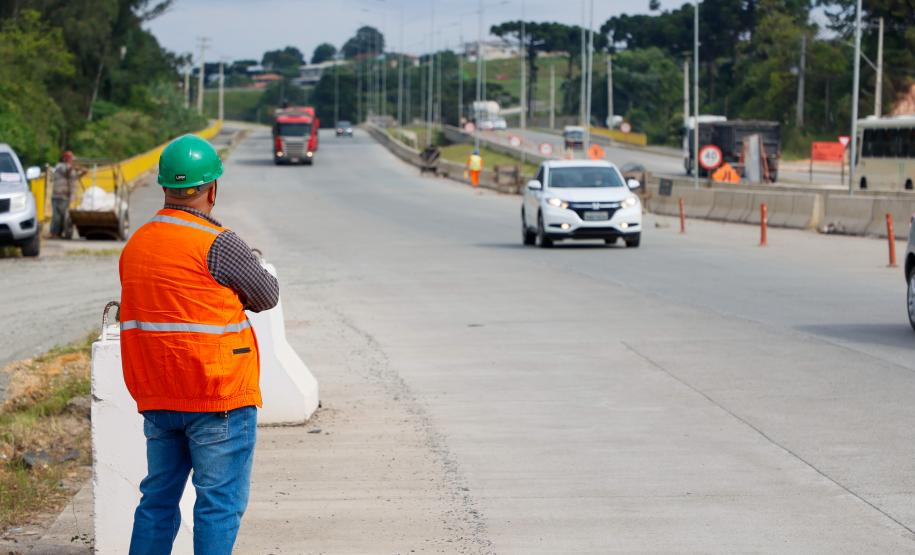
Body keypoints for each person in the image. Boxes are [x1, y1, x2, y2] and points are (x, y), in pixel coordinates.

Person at [119, 134, 279, 555]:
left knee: (157, 501)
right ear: (212, 189)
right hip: (217, 397)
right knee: (218, 505)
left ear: (166, 188)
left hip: (158, 398)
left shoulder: (137, 244)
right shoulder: (219, 242)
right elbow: (266, 296)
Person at [50, 151, 85, 238]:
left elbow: (74, 176)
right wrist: (76, 168)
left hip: (66, 196)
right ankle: (54, 233)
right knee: (57, 217)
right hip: (58, 195)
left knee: (63, 216)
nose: (72, 161)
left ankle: (60, 233)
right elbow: (67, 171)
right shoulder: (60, 166)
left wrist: (83, 171)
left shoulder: (70, 169)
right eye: (70, 159)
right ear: (65, 159)